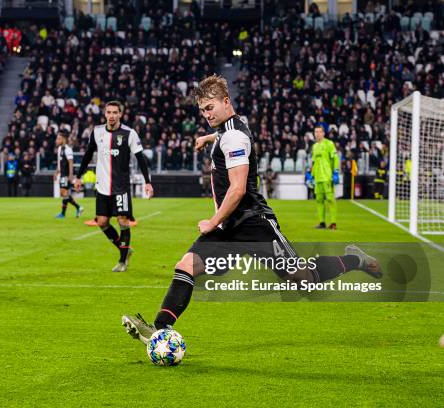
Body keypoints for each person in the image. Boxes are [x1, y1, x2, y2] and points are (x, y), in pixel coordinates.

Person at [121, 75, 382, 343]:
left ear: (226, 102)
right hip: (230, 227)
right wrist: (209, 137)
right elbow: (228, 133)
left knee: (305, 281)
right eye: (201, 110)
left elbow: (238, 189)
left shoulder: (233, 137)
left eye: (209, 108)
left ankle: (356, 260)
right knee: (186, 265)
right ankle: (160, 329)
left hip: (254, 224)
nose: (205, 114)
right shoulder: (229, 128)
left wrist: (212, 222)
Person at [74, 101, 153, 272]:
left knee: (123, 221)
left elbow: (141, 159)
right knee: (102, 222)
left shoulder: (129, 134)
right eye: (108, 112)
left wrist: (148, 182)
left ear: (120, 114)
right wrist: (78, 176)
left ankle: (122, 261)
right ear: (104, 114)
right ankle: (125, 249)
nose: (111, 115)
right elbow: (88, 155)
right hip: (102, 187)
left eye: (115, 112)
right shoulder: (97, 132)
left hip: (121, 187)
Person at [309, 125, 339, 230]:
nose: (317, 134)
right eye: (315, 132)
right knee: (319, 200)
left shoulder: (329, 144)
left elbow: (335, 158)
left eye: (319, 132)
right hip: (318, 178)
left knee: (330, 200)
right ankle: (322, 222)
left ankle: (333, 223)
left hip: (327, 176)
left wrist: (336, 172)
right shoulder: (314, 146)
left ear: (323, 133)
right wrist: (311, 176)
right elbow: (314, 162)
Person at [54, 130, 83, 218]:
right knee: (64, 193)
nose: (56, 140)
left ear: (63, 139)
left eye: (58, 138)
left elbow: (71, 162)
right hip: (62, 174)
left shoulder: (68, 149)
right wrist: (56, 172)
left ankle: (77, 208)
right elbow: (60, 162)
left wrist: (70, 175)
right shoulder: (59, 149)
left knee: (64, 193)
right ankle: (65, 213)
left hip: (66, 175)